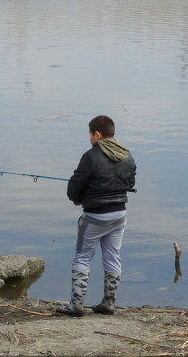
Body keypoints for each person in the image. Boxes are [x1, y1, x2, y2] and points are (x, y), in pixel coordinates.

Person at [56, 114, 136, 316]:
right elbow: (130, 184)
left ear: (97, 134)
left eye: (90, 135)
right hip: (119, 214)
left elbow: (74, 188)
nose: (90, 139)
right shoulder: (128, 155)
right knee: (112, 256)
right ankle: (109, 303)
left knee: (82, 257)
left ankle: (76, 305)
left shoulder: (91, 157)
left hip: (95, 216)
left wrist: (77, 198)